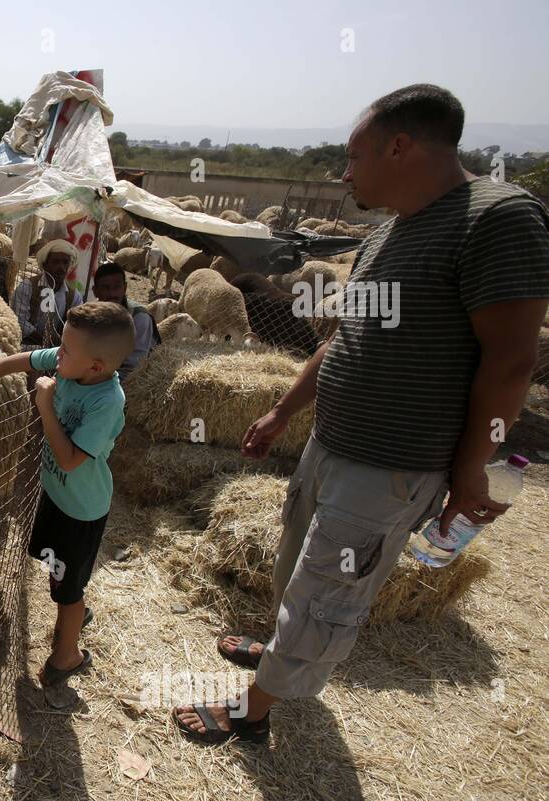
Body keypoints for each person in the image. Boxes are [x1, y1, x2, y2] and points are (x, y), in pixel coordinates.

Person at [173, 83, 549, 744]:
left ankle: (252, 714)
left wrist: (469, 477)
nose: (345, 175)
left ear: (400, 145)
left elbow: (511, 362)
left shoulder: (497, 217)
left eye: (354, 156)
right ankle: (277, 657)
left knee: (327, 592)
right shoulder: (389, 236)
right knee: (298, 563)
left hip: (392, 464)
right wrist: (283, 411)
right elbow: (345, 341)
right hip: (333, 444)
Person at [0, 302, 135, 687]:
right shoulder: (71, 363)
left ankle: (66, 656)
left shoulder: (107, 402)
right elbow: (12, 362)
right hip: (57, 495)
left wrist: (45, 405)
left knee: (67, 590)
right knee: (59, 574)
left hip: (81, 511)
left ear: (95, 367)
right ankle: (73, 603)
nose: (56, 354)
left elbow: (70, 457)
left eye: (65, 350)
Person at [92, 261, 160, 379]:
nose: (112, 293)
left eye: (117, 287)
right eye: (105, 288)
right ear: (95, 291)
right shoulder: (91, 314)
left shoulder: (139, 318)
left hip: (132, 380)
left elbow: (134, 367)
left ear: (125, 288)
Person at [12, 239, 84, 346]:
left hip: (54, 349)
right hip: (24, 344)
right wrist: (44, 339)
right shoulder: (28, 287)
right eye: (56, 262)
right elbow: (19, 320)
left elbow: (77, 324)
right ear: (45, 264)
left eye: (65, 262)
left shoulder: (74, 296)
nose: (61, 267)